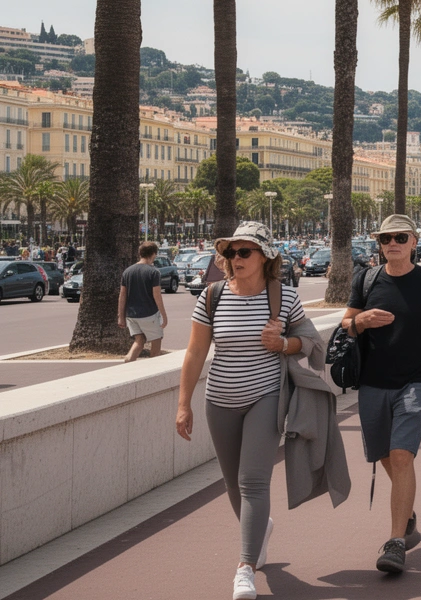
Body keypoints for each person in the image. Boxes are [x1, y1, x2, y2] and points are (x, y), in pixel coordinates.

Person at [175, 222, 321, 600]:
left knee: (252, 480)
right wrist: (183, 403)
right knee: (231, 483)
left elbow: (309, 343)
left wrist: (283, 342)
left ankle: (245, 568)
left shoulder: (284, 298)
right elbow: (195, 353)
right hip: (219, 399)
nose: (235, 259)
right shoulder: (212, 296)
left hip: (266, 397)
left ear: (265, 257)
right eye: (230, 253)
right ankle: (260, 530)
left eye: (244, 252)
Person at [341, 214, 421, 574]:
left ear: (414, 241)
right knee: (383, 455)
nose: (393, 243)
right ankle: (407, 516)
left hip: (416, 382)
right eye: (386, 238)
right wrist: (361, 321)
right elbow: (346, 322)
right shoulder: (367, 279)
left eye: (400, 237)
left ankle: (395, 543)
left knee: (402, 455)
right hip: (373, 383)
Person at [120, 241, 168, 363]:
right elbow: (157, 295)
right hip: (149, 314)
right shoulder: (153, 272)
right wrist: (163, 314)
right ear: (153, 254)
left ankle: (127, 365)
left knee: (139, 341)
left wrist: (121, 316)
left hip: (131, 315)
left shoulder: (127, 271)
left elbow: (122, 295)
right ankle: (152, 372)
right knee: (156, 342)